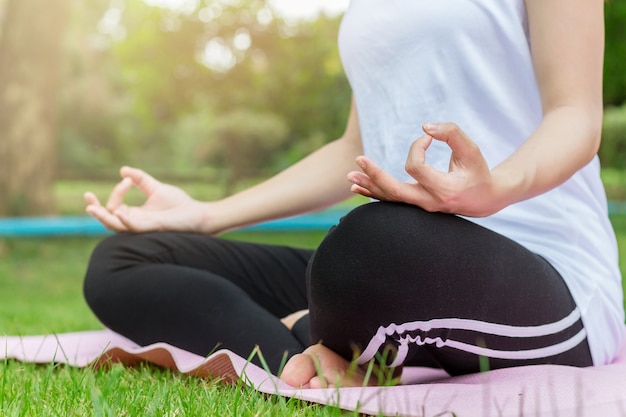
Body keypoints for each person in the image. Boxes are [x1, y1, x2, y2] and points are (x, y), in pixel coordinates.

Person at [83, 0, 624, 389]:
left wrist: (493, 188)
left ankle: (320, 330)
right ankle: (316, 352)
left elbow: (575, 114)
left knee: (363, 246)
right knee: (122, 260)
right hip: (393, 263)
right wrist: (207, 215)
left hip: (542, 278)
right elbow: (354, 149)